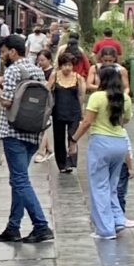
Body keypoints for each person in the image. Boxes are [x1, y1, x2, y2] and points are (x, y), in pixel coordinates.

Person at [0, 33, 55, 244]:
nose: (2, 56)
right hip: (33, 132)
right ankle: (13, 227)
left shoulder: (12, 71)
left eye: (4, 52)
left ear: (13, 51)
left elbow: (7, 102)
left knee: (20, 180)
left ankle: (41, 225)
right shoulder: (37, 70)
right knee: (18, 180)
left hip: (13, 133)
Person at [75, 62, 133, 238]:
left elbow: (87, 122)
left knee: (99, 186)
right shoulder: (125, 98)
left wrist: (73, 139)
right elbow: (126, 120)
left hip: (100, 143)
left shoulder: (97, 97)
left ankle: (105, 229)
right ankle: (117, 219)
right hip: (119, 143)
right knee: (112, 185)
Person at [50, 46, 85, 174]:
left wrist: (82, 111)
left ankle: (71, 160)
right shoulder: (54, 76)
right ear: (60, 65)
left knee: (73, 137)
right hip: (58, 111)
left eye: (69, 65)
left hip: (74, 111)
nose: (67, 68)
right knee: (58, 138)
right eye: (64, 65)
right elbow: (47, 91)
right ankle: (62, 163)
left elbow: (81, 95)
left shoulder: (78, 78)